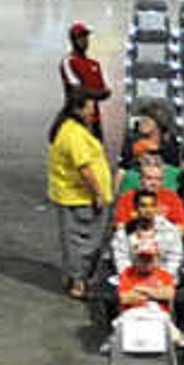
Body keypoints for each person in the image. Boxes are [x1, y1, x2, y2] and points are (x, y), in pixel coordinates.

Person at [50, 95, 117, 302]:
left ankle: (74, 277)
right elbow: (85, 168)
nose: (93, 112)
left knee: (76, 240)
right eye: (90, 108)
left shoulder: (70, 128)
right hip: (80, 196)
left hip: (76, 195)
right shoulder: (74, 134)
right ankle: (78, 282)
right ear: (78, 109)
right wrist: (97, 193)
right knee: (82, 242)